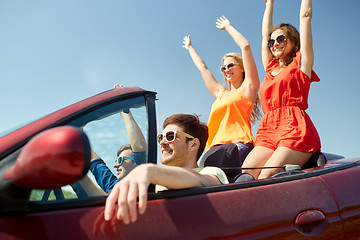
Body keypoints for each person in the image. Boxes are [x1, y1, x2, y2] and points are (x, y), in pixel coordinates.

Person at [242, 0, 321, 180]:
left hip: (294, 127)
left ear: (293, 41)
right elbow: (264, 36)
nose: (274, 44)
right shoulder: (269, 67)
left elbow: (305, 17)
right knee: (246, 174)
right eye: (272, 41)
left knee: (266, 176)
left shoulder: (302, 63)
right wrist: (269, 4)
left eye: (280, 39)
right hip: (268, 128)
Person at [104, 114, 228, 224]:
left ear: (193, 144)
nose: (162, 142)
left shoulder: (210, 172)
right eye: (160, 137)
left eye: (170, 136)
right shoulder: (156, 180)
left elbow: (201, 181)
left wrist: (150, 170)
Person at [182, 16, 261, 165]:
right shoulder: (220, 93)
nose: (226, 70)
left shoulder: (248, 88)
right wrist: (190, 48)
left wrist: (228, 27)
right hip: (215, 148)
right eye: (223, 68)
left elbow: (246, 47)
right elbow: (202, 68)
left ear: (242, 67)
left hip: (238, 145)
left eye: (231, 65)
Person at [89, 108, 147, 193]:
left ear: (136, 162)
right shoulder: (115, 187)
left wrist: (124, 110)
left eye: (120, 160)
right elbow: (97, 165)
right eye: (116, 161)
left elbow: (140, 147)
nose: (115, 165)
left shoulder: (141, 183)